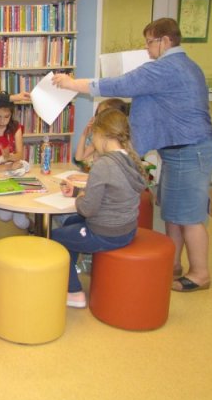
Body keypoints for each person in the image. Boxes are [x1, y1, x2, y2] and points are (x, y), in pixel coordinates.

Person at [53, 17, 212, 293]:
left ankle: (200, 274)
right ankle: (173, 265)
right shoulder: (186, 66)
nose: (147, 49)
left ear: (166, 41)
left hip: (190, 150)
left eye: (150, 42)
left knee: (189, 216)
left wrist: (72, 84)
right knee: (173, 213)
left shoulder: (166, 68)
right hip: (179, 151)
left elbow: (119, 85)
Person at [51, 109, 147, 308]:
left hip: (105, 233)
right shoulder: (129, 159)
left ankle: (74, 292)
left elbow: (87, 210)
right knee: (70, 223)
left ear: (102, 135)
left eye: (92, 136)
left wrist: (80, 198)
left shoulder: (104, 164)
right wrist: (78, 192)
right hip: (127, 229)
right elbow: (111, 195)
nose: (92, 141)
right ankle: (69, 272)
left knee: (54, 237)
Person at [74, 98, 128, 169]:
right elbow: (79, 158)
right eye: (98, 114)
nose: (97, 118)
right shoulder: (100, 140)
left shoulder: (119, 146)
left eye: (101, 114)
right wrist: (84, 134)